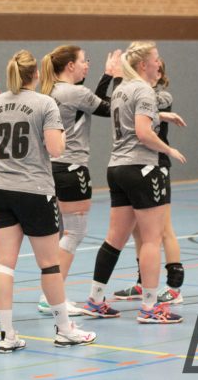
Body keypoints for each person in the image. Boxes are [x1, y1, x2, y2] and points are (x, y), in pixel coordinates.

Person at [0, 50, 97, 353]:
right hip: (34, 189)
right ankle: (64, 330)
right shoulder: (45, 103)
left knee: (4, 264)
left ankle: (7, 335)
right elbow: (56, 149)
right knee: (49, 264)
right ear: (36, 75)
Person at [82, 41, 187, 324]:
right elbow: (143, 132)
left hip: (117, 167)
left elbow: (131, 119)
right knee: (152, 239)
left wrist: (160, 115)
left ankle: (95, 299)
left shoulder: (121, 89)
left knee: (114, 239)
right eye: (155, 58)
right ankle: (150, 307)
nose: (158, 63)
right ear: (143, 64)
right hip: (142, 167)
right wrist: (168, 150)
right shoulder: (143, 89)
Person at [36, 46, 122, 316]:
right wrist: (117, 78)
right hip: (72, 168)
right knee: (74, 233)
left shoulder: (50, 91)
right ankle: (51, 297)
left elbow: (91, 103)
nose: (87, 65)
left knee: (61, 234)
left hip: (50, 169)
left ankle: (50, 295)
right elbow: (112, 108)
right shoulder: (75, 92)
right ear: (70, 66)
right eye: (84, 61)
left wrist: (107, 76)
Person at [114, 58, 185, 304]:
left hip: (158, 163)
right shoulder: (136, 91)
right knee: (138, 232)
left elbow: (147, 109)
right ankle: (143, 281)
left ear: (159, 73)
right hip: (137, 165)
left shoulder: (162, 96)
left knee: (164, 229)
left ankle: (174, 287)